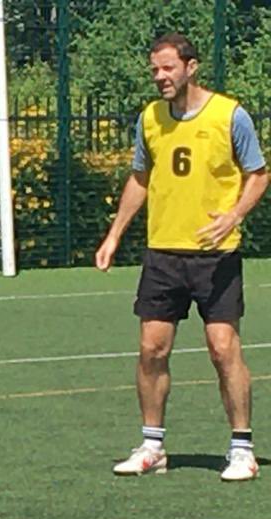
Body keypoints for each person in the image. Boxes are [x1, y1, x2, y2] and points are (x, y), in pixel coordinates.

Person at [95, 33, 268, 481]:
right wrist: (115, 235)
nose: (159, 77)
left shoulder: (230, 115)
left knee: (222, 348)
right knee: (152, 348)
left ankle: (242, 448)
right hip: (163, 254)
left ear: (191, 67)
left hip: (216, 255)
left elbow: (258, 175)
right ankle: (152, 446)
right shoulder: (150, 119)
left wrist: (232, 216)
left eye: (167, 68)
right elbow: (139, 179)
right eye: (154, 69)